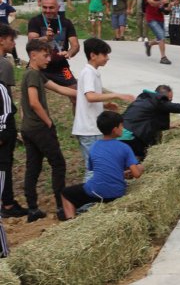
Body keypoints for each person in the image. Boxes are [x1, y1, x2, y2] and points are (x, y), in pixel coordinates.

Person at [21, 39, 78, 222]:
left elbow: (60, 89)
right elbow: (33, 102)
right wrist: (49, 122)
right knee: (58, 164)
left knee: (33, 167)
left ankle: (32, 209)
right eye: (45, 56)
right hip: (39, 128)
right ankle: (62, 207)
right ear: (33, 55)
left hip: (29, 129)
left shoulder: (37, 74)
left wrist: (85, 94)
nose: (49, 60)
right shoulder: (32, 75)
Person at [72, 38, 135, 181]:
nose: (107, 58)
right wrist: (117, 95)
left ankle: (93, 199)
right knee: (93, 169)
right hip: (89, 129)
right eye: (105, 54)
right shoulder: (88, 73)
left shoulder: (91, 72)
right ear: (93, 55)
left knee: (96, 167)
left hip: (90, 129)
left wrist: (105, 105)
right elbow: (90, 96)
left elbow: (87, 98)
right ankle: (87, 202)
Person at [62, 111, 143, 220]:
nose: (123, 128)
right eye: (121, 125)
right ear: (115, 130)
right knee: (140, 167)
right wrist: (140, 168)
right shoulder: (124, 147)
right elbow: (137, 174)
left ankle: (71, 221)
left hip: (95, 192)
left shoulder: (94, 146)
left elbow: (97, 170)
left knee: (66, 193)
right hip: (117, 193)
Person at [120, 85, 180, 160]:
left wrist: (167, 126)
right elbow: (179, 107)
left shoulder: (144, 99)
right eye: (169, 100)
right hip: (131, 137)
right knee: (142, 158)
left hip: (119, 134)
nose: (169, 102)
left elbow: (146, 120)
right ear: (162, 97)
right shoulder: (158, 102)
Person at [27, 0, 80, 107]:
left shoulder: (66, 22)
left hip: (62, 67)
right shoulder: (35, 21)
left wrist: (69, 52)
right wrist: (45, 38)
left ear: (58, 7)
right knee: (30, 100)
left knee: (76, 95)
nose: (47, 10)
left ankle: (78, 124)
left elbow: (75, 45)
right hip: (39, 68)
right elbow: (31, 42)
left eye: (51, 7)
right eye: (44, 7)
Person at [0, 25, 27, 218]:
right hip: (4, 120)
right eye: (11, 39)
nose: (13, 43)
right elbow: (6, 97)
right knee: (4, 163)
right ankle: (8, 204)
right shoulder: (5, 64)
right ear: (1, 39)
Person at [143, 0, 171, 65]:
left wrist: (170, 6)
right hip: (151, 18)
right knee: (162, 36)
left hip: (160, 17)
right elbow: (151, 3)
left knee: (160, 37)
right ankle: (163, 57)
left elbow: (165, 7)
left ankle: (149, 44)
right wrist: (160, 1)